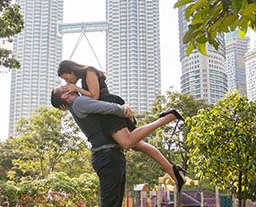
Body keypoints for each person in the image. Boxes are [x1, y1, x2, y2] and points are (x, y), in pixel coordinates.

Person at [50, 85, 183, 207]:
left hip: (111, 155)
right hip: (106, 157)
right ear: (64, 95)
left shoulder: (77, 102)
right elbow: (105, 107)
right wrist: (123, 109)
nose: (67, 85)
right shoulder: (78, 102)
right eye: (63, 87)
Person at [57, 60, 186, 188]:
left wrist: (76, 88)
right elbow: (84, 102)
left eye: (67, 78)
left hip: (108, 107)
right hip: (104, 111)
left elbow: (94, 96)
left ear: (71, 70)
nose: (68, 82)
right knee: (138, 145)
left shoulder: (89, 71)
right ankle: (172, 170)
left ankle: (167, 118)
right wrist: (69, 105)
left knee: (126, 142)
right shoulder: (82, 79)